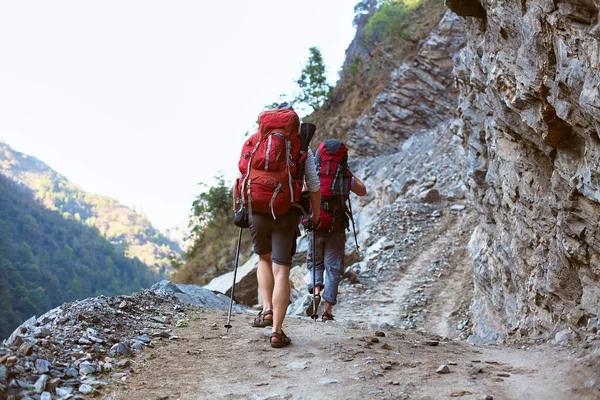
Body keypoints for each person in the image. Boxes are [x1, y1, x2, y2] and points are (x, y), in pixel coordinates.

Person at [234, 104, 321, 348]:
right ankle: (276, 331)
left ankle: (267, 309)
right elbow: (313, 185)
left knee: (263, 259)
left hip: (257, 210)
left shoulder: (254, 141)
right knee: (281, 269)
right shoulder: (301, 146)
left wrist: (241, 206)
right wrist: (314, 214)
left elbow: (241, 176)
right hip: (286, 211)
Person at [306, 139, 367, 321]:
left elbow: (302, 190)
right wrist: (346, 172)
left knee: (315, 263)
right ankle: (327, 311)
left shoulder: (313, 173)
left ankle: (316, 292)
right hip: (337, 226)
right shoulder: (344, 176)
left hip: (315, 224)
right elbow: (362, 190)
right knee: (333, 268)